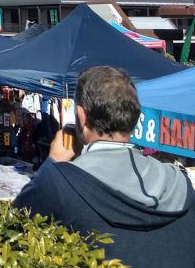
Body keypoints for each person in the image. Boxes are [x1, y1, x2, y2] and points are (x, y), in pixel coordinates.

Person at [14, 66, 195, 267]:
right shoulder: (181, 185)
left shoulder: (58, 183)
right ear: (134, 118)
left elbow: (14, 225)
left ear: (81, 116)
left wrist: (53, 163)